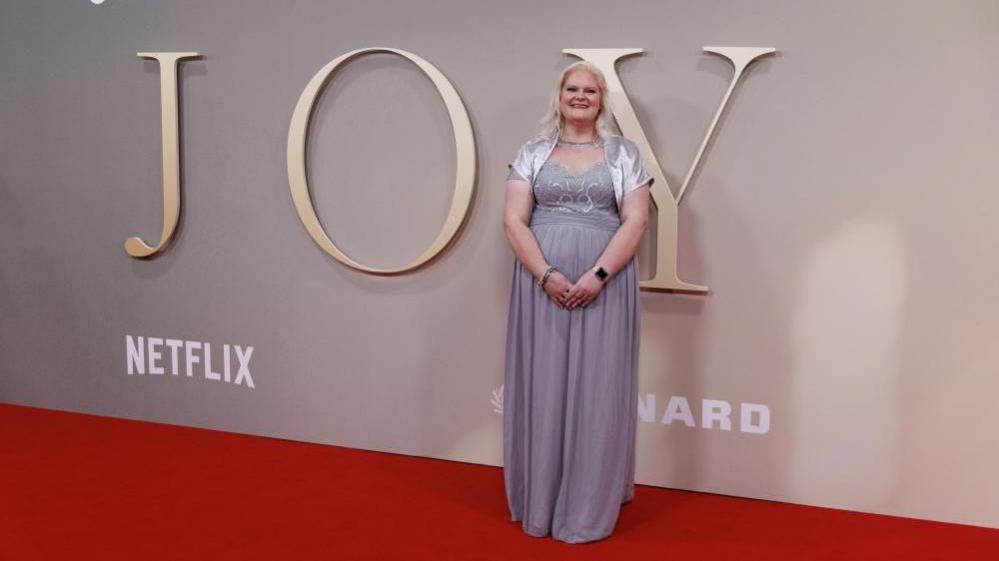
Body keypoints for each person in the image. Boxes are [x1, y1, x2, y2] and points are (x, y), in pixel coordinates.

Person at [502, 61, 653, 544]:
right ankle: (541, 502)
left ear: (603, 99)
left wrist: (598, 275)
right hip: (540, 284)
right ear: (559, 94)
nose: (581, 96)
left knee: (598, 389)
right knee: (543, 386)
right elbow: (513, 220)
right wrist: (545, 275)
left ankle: (587, 503)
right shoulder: (531, 152)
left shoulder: (623, 153)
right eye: (573, 88)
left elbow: (636, 221)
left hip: (604, 286)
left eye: (591, 89)